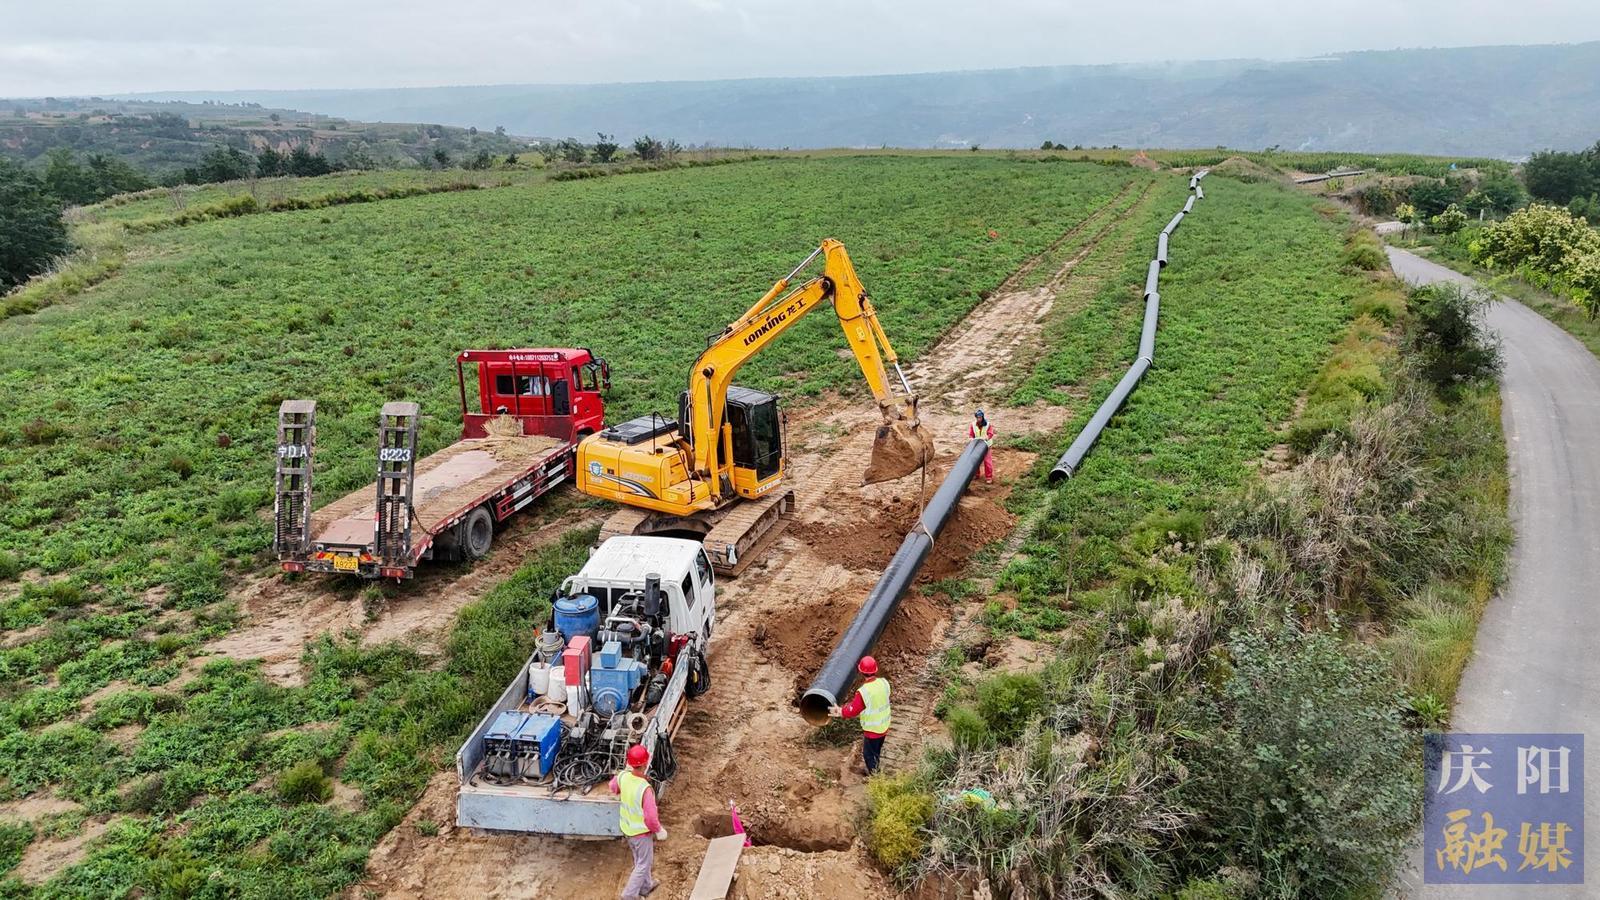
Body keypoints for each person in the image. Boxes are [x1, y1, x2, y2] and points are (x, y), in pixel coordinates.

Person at [609, 744, 667, 899]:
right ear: (646, 764)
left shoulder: (622, 776)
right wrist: (659, 830)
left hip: (627, 828)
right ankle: (629, 896)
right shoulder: (645, 788)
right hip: (640, 833)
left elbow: (612, 787)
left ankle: (646, 886)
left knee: (640, 859)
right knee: (643, 864)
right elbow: (650, 818)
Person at [835, 655, 891, 775]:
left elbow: (853, 710)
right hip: (884, 726)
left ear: (861, 672)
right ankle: (875, 768)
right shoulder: (884, 683)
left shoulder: (864, 691)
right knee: (876, 751)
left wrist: (840, 711)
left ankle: (875, 777)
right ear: (875, 670)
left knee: (868, 754)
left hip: (873, 730)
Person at [970, 409, 995, 484]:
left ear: (983, 417)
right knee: (975, 460)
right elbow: (971, 434)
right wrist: (971, 439)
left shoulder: (987, 424)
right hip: (977, 445)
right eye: (978, 417)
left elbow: (990, 434)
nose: (979, 419)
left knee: (987, 461)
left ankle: (989, 477)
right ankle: (976, 474)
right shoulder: (973, 425)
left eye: (980, 417)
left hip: (986, 445)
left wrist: (986, 438)